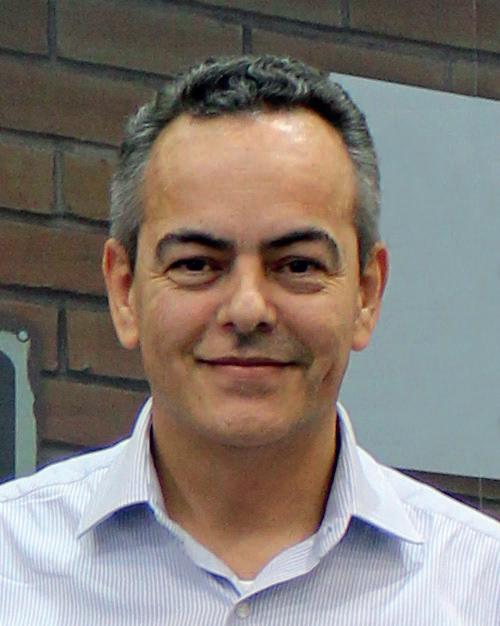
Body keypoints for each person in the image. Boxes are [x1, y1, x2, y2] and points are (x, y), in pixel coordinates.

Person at [1, 55, 498, 625]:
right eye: (195, 264)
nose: (246, 310)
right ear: (124, 291)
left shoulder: (481, 590)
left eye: (298, 265)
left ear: (366, 293)